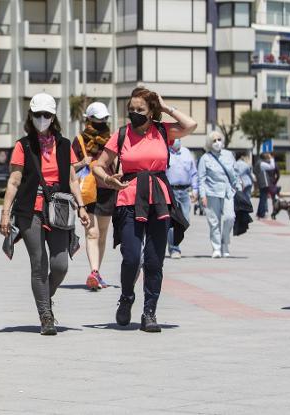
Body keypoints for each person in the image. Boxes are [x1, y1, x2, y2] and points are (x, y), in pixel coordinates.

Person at [92, 87, 196, 333]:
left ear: (152, 112)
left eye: (141, 109)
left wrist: (166, 107)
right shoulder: (121, 135)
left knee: (154, 261)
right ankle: (126, 297)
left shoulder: (162, 131)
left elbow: (191, 125)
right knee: (131, 257)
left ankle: (150, 311)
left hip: (158, 200)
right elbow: (98, 165)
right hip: (128, 198)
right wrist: (109, 180)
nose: (135, 113)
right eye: (131, 109)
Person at [0, 93, 90, 335]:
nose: (42, 119)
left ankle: (44, 298)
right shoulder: (23, 145)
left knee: (60, 265)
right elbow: (14, 181)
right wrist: (5, 214)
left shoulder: (63, 145)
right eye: (38, 114)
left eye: (46, 115)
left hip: (59, 209)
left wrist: (81, 207)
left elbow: (72, 180)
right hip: (31, 211)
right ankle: (45, 316)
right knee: (38, 264)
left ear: (53, 117)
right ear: (31, 115)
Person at [71, 101, 115, 290]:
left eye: (104, 119)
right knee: (92, 233)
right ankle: (94, 272)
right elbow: (69, 168)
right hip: (88, 191)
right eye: (97, 120)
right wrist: (82, 162)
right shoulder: (78, 141)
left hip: (107, 189)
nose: (101, 123)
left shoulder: (113, 139)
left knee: (103, 235)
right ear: (88, 119)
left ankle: (97, 273)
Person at [198, 131, 240, 259]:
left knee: (229, 217)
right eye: (214, 141)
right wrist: (202, 195)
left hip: (228, 192)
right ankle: (216, 248)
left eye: (219, 139)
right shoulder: (205, 158)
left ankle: (225, 243)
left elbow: (235, 172)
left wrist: (238, 186)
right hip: (211, 192)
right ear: (210, 144)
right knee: (214, 222)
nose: (217, 143)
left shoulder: (228, 155)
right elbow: (201, 179)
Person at [166, 138, 198, 259]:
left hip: (185, 192)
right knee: (172, 221)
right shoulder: (165, 152)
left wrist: (195, 190)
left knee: (185, 220)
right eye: (174, 139)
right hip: (170, 191)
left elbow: (194, 173)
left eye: (178, 139)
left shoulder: (187, 153)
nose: (176, 141)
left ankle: (174, 243)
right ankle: (174, 248)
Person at [254, 152, 276, 219]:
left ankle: (259, 212)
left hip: (261, 182)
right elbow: (272, 167)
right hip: (264, 183)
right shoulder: (262, 163)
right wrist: (271, 158)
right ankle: (261, 213)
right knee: (263, 198)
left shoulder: (258, 163)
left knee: (262, 198)